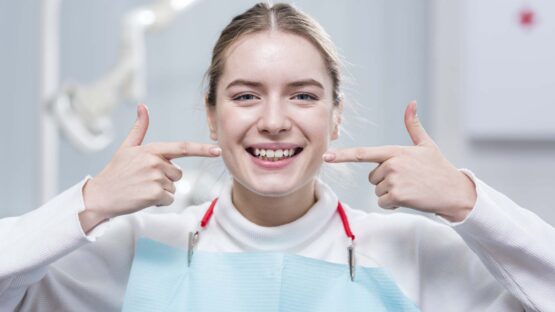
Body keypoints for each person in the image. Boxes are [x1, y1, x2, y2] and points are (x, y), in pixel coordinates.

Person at [1, 2, 554, 311]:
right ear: (212, 115)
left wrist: (468, 201)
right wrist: (90, 204)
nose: (272, 119)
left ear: (336, 114)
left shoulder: (413, 251)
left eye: (303, 95)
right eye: (245, 95)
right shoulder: (135, 247)